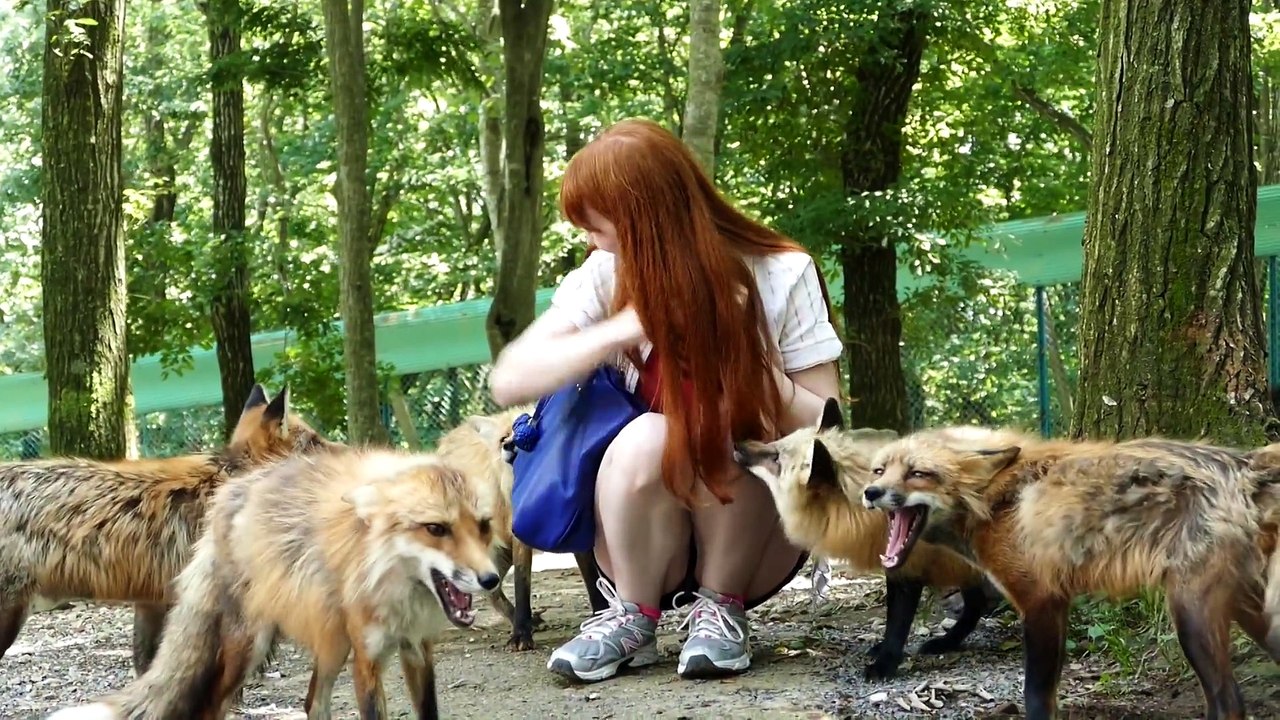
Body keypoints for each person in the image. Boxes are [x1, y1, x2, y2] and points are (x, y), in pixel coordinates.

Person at [488, 118, 844, 684]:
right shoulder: (605, 275)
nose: (590, 241)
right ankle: (630, 614)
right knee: (649, 434)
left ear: (644, 222)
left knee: (723, 420)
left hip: (755, 538)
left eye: (597, 227)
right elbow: (510, 378)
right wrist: (623, 329)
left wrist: (743, 361)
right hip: (642, 529)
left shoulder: (780, 272)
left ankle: (720, 611)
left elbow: (826, 427)